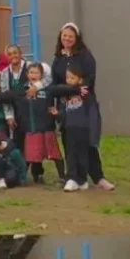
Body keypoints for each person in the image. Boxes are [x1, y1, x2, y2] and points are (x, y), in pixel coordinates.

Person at [51, 22, 114, 190]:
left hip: (84, 105)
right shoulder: (58, 59)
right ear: (60, 36)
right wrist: (72, 90)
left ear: (76, 38)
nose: (67, 39)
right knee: (69, 142)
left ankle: (98, 177)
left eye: (70, 36)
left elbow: (89, 80)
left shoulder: (85, 55)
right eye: (64, 35)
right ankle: (73, 176)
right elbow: (54, 85)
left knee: (88, 142)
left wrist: (78, 90)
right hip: (66, 105)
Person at [48, 66, 94, 192]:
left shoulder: (85, 93)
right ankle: (71, 178)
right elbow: (52, 92)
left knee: (83, 155)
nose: (69, 80)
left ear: (80, 80)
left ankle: (82, 179)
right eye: (67, 77)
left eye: (72, 78)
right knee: (70, 154)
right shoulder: (63, 94)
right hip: (68, 129)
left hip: (83, 130)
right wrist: (57, 114)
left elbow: (90, 112)